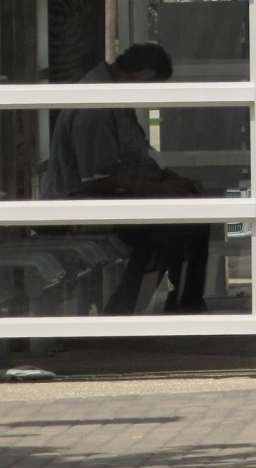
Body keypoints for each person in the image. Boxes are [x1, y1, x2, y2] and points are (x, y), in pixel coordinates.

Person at [43, 43, 211, 315]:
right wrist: (156, 190)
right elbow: (98, 180)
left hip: (114, 197)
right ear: (142, 76)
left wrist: (176, 180)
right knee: (165, 228)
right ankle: (124, 312)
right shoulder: (97, 106)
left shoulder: (117, 96)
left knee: (194, 215)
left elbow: (140, 152)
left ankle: (185, 302)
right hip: (81, 206)